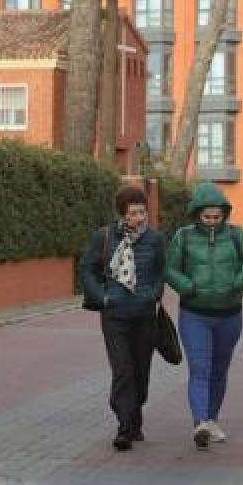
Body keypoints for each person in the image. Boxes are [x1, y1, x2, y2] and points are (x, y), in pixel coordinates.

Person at [165, 182, 243, 449]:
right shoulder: (183, 237)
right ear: (197, 214)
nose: (211, 222)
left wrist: (237, 283)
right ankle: (200, 423)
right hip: (194, 314)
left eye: (216, 217)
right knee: (200, 369)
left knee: (219, 370)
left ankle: (212, 419)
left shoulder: (236, 236)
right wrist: (187, 287)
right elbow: (169, 269)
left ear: (224, 214)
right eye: (206, 217)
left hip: (229, 315)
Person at [78, 185, 168, 451]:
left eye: (142, 212)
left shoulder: (155, 239)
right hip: (114, 315)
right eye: (132, 214)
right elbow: (87, 268)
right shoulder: (104, 237)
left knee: (140, 372)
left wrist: (152, 293)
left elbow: (162, 271)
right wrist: (102, 296)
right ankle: (124, 427)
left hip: (144, 316)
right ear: (122, 215)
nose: (139, 218)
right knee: (123, 370)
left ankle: (134, 416)